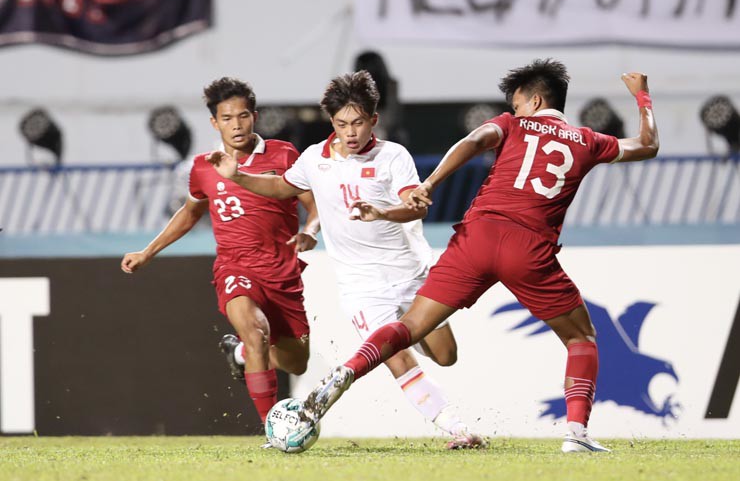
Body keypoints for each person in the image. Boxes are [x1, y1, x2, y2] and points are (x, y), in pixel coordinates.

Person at [299, 61, 660, 453]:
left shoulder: (511, 125)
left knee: (412, 326)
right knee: (581, 337)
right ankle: (576, 434)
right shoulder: (588, 140)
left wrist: (431, 182)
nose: (516, 109)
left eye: (518, 103)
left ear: (535, 100)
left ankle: (349, 370)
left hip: (477, 237)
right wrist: (642, 95)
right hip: (529, 249)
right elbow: (647, 145)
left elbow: (472, 141)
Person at [206, 70, 485, 449]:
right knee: (396, 359)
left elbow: (411, 205)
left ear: (374, 119)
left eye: (357, 123)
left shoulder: (392, 156)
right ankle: (458, 429)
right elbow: (280, 186)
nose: (350, 132)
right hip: (362, 286)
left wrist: (384, 212)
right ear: (331, 123)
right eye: (341, 124)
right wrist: (238, 176)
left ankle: (409, 336)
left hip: (411, 274)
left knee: (446, 355)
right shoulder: (313, 160)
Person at [121, 77, 320, 427]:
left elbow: (313, 207)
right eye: (227, 118)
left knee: (295, 361)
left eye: (242, 116)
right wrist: (148, 252)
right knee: (256, 331)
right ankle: (272, 427)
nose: (236, 125)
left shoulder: (284, 154)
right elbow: (189, 213)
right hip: (235, 268)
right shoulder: (203, 167)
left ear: (254, 117)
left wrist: (309, 231)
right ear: (215, 122)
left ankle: (241, 353)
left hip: (282, 272)